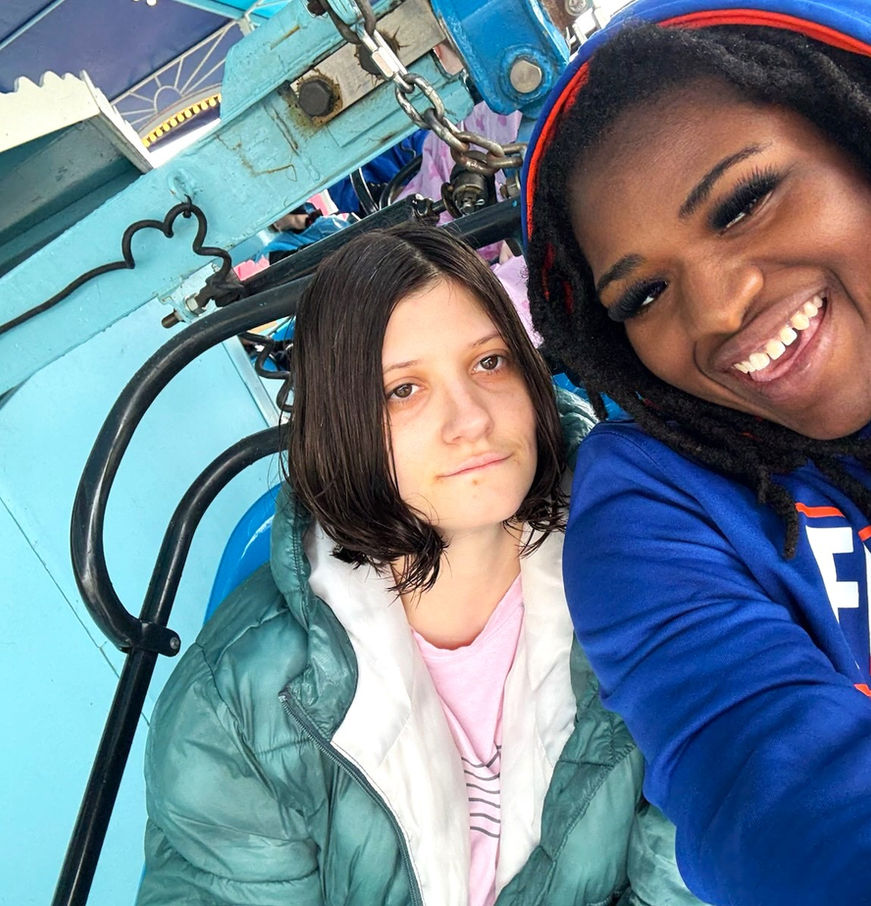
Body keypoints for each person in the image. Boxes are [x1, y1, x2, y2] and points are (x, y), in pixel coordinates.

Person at [135, 223, 702, 906]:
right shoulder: (235, 703)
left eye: (489, 363)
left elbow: (702, 844)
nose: (470, 420)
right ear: (342, 427)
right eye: (402, 390)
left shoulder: (660, 572)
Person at [522, 2, 871, 904]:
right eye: (641, 296)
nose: (714, 312)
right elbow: (771, 792)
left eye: (742, 203)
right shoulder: (654, 503)